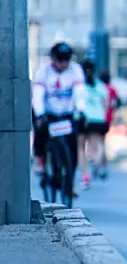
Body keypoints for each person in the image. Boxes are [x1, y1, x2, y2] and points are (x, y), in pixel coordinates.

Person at [32, 42, 86, 204]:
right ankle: (40, 160)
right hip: (48, 114)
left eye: (66, 60)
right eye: (59, 60)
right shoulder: (44, 72)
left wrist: (81, 110)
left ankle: (70, 179)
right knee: (40, 133)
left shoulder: (75, 70)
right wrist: (40, 114)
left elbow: (80, 93)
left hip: (67, 115)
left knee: (73, 147)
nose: (63, 63)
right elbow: (38, 94)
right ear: (53, 59)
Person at [78, 60, 111, 188]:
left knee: (81, 148)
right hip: (98, 119)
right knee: (97, 145)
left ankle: (85, 176)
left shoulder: (79, 85)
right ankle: (96, 163)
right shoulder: (101, 86)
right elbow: (106, 103)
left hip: (83, 119)